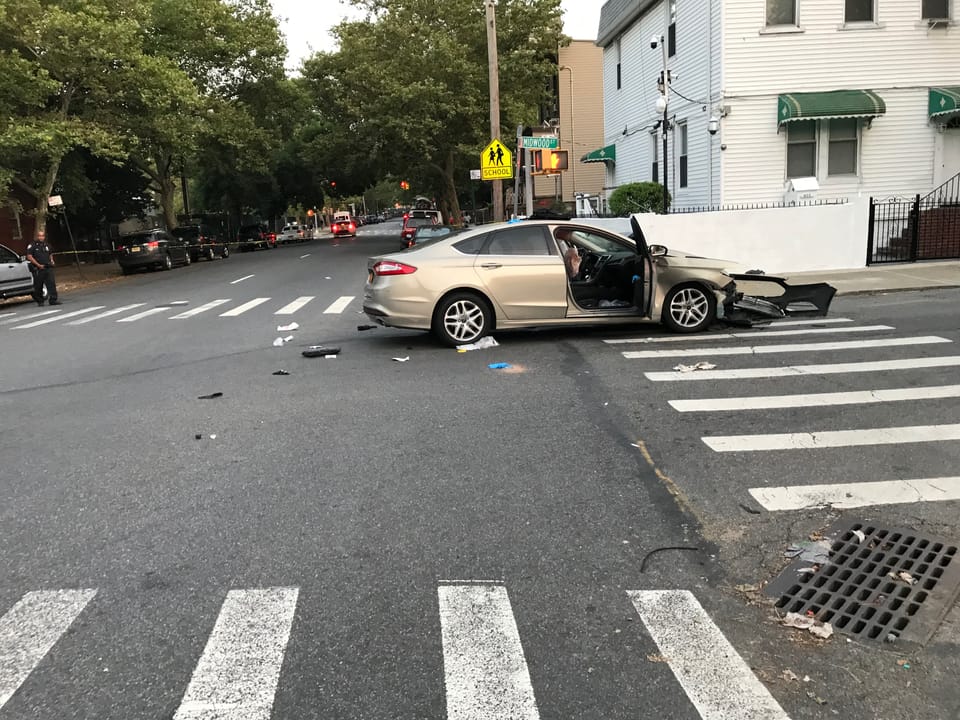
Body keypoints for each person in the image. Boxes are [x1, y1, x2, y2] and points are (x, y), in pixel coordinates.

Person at [26, 229, 60, 306]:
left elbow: (50, 254)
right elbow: (29, 256)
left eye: (42, 236)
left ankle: (53, 300)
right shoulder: (32, 245)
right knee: (38, 285)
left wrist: (52, 260)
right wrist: (38, 265)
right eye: (39, 236)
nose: (41, 237)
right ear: (37, 236)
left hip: (47, 267)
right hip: (38, 268)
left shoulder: (47, 245)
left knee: (51, 284)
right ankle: (40, 301)